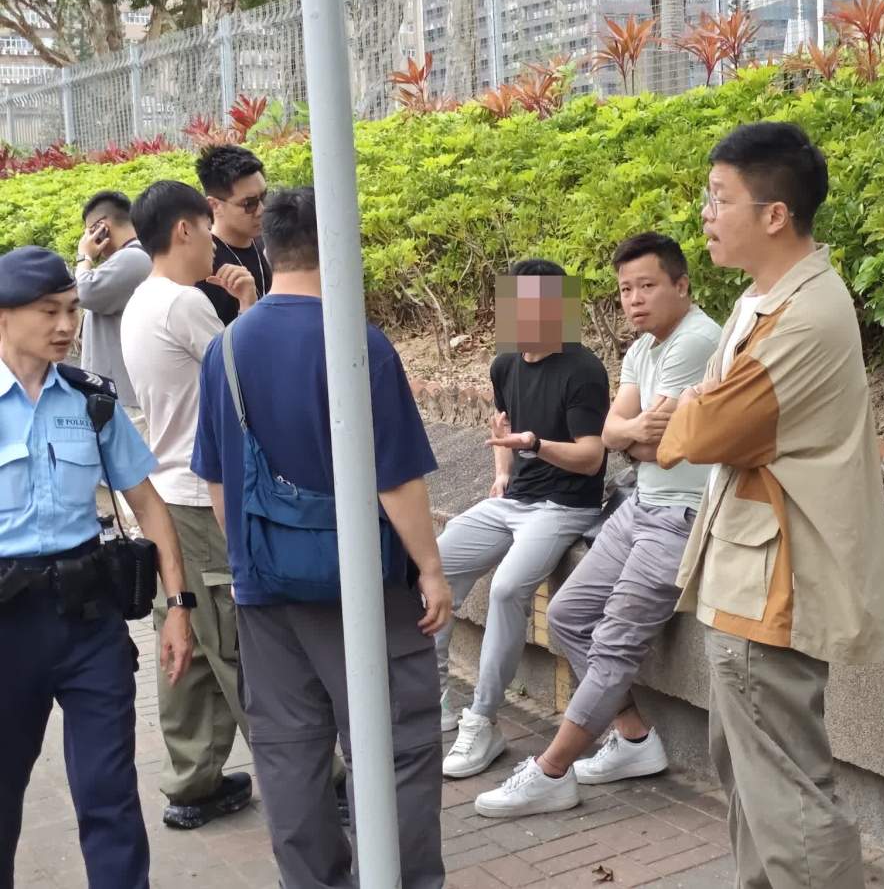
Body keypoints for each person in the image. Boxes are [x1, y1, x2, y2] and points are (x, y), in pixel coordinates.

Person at [191, 188, 451, 888]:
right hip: (363, 586)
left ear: (267, 249)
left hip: (265, 590)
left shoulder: (227, 349)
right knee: (396, 746)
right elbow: (394, 479)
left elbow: (217, 481)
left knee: (288, 752)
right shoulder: (359, 343)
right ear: (344, 245)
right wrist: (430, 568)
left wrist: (257, 558)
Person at [656, 122, 884, 889]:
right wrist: (692, 412)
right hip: (745, 576)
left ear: (775, 214)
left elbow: (704, 428)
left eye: (719, 198)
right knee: (752, 779)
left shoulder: (805, 313)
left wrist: (676, 417)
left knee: (786, 795)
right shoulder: (768, 299)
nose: (705, 214)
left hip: (771, 585)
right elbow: (708, 413)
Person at [474, 232, 721, 817]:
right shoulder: (641, 350)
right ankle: (633, 739)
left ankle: (551, 771)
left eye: (647, 286)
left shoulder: (697, 340)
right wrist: (633, 435)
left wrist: (631, 437)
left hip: (682, 515)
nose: (634, 299)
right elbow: (615, 435)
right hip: (639, 506)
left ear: (682, 286)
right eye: (625, 289)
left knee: (613, 640)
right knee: (566, 614)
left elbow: (662, 447)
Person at [0, 245, 194, 889]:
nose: (66, 326)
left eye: (72, 309)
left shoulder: (90, 402)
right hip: (7, 629)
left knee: (109, 794)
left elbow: (149, 505)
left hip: (89, 624)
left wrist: (179, 608)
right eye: (48, 311)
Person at [436, 258, 608, 780]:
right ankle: (432, 698)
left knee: (509, 588)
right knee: (432, 565)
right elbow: (502, 430)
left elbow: (591, 458)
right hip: (513, 501)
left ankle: (483, 720)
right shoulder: (505, 365)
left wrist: (534, 444)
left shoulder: (583, 370)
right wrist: (502, 473)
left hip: (565, 506)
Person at [122, 180, 258, 829]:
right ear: (184, 230)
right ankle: (318, 778)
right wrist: (250, 304)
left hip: (168, 495)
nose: (213, 243)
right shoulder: (183, 303)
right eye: (207, 229)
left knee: (190, 644)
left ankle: (192, 783)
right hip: (206, 500)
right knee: (239, 645)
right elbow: (245, 380)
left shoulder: (140, 301)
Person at [74, 190, 152, 414]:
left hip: (126, 402)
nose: (87, 239)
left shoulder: (134, 258)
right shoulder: (127, 258)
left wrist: (84, 256)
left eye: (89, 231)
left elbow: (81, 292)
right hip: (117, 398)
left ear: (101, 227)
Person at [195, 144, 271, 324]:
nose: (261, 210)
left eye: (264, 197)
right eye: (249, 204)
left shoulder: (271, 246)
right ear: (214, 205)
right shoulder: (204, 265)